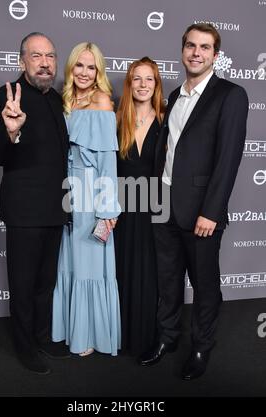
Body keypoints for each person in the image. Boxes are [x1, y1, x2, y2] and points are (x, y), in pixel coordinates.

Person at [139, 23, 248, 380]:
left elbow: (228, 158)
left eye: (204, 47)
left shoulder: (230, 95)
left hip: (202, 212)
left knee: (204, 285)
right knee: (167, 280)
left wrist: (212, 211)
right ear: (183, 50)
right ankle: (167, 337)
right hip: (164, 205)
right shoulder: (174, 95)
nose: (196, 53)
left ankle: (201, 346)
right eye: (190, 46)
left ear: (215, 55)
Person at [0, 32, 70, 374]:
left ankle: (42, 337)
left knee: (44, 283)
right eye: (36, 56)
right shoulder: (8, 96)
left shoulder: (54, 99)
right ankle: (25, 347)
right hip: (24, 210)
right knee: (23, 284)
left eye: (50, 56)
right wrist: (11, 132)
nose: (45, 63)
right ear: (22, 60)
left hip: (55, 208)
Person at [52, 42, 121, 356]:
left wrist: (107, 208)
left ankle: (91, 336)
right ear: (70, 67)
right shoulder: (66, 101)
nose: (83, 72)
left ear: (99, 72)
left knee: (90, 265)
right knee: (70, 263)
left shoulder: (101, 101)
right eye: (78, 65)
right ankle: (70, 328)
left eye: (90, 67)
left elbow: (108, 161)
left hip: (90, 193)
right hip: (65, 191)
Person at [115, 57, 166, 357]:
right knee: (122, 267)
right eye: (137, 79)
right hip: (122, 206)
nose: (143, 85)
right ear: (129, 83)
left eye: (149, 79)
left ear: (157, 84)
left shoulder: (167, 119)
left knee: (151, 272)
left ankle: (147, 336)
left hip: (157, 206)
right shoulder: (117, 117)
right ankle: (119, 334)